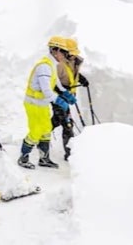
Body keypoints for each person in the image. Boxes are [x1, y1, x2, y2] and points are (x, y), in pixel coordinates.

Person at [18, 36, 76, 169]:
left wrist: (65, 94)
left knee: (46, 130)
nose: (65, 56)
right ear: (54, 50)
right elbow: (47, 91)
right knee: (36, 130)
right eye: (63, 52)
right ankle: (23, 157)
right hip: (33, 104)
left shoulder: (52, 65)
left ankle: (44, 159)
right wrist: (60, 101)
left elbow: (56, 83)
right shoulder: (44, 67)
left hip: (42, 104)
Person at [53, 37, 89, 160]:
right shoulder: (59, 65)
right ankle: (70, 154)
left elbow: (73, 74)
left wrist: (81, 79)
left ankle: (40, 135)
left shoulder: (74, 61)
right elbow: (53, 82)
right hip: (59, 98)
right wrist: (62, 91)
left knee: (57, 121)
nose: (74, 56)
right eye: (71, 53)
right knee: (67, 125)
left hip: (68, 96)